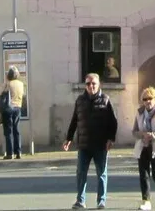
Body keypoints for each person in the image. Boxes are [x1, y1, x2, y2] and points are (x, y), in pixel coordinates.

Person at [63, 73, 118, 210]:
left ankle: (101, 201)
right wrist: (69, 138)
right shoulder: (80, 101)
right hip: (84, 145)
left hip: (100, 145)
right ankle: (80, 201)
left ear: (99, 85)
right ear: (85, 85)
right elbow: (74, 121)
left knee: (101, 174)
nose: (91, 86)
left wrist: (111, 139)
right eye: (88, 84)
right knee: (81, 173)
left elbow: (113, 122)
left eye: (93, 83)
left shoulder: (105, 100)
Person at [1, 66, 25, 160]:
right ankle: (18, 152)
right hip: (18, 108)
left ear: (9, 75)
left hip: (9, 109)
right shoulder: (21, 84)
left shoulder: (8, 84)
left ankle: (10, 154)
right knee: (16, 131)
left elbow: (3, 96)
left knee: (8, 132)